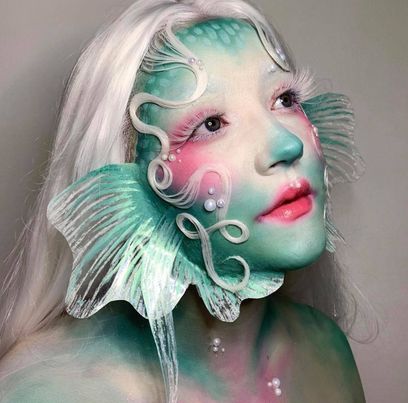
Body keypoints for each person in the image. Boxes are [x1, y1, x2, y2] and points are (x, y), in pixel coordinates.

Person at [0, 0, 366, 401]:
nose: (287, 145)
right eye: (211, 124)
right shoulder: (55, 390)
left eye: (284, 99)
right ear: (124, 191)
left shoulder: (324, 349)